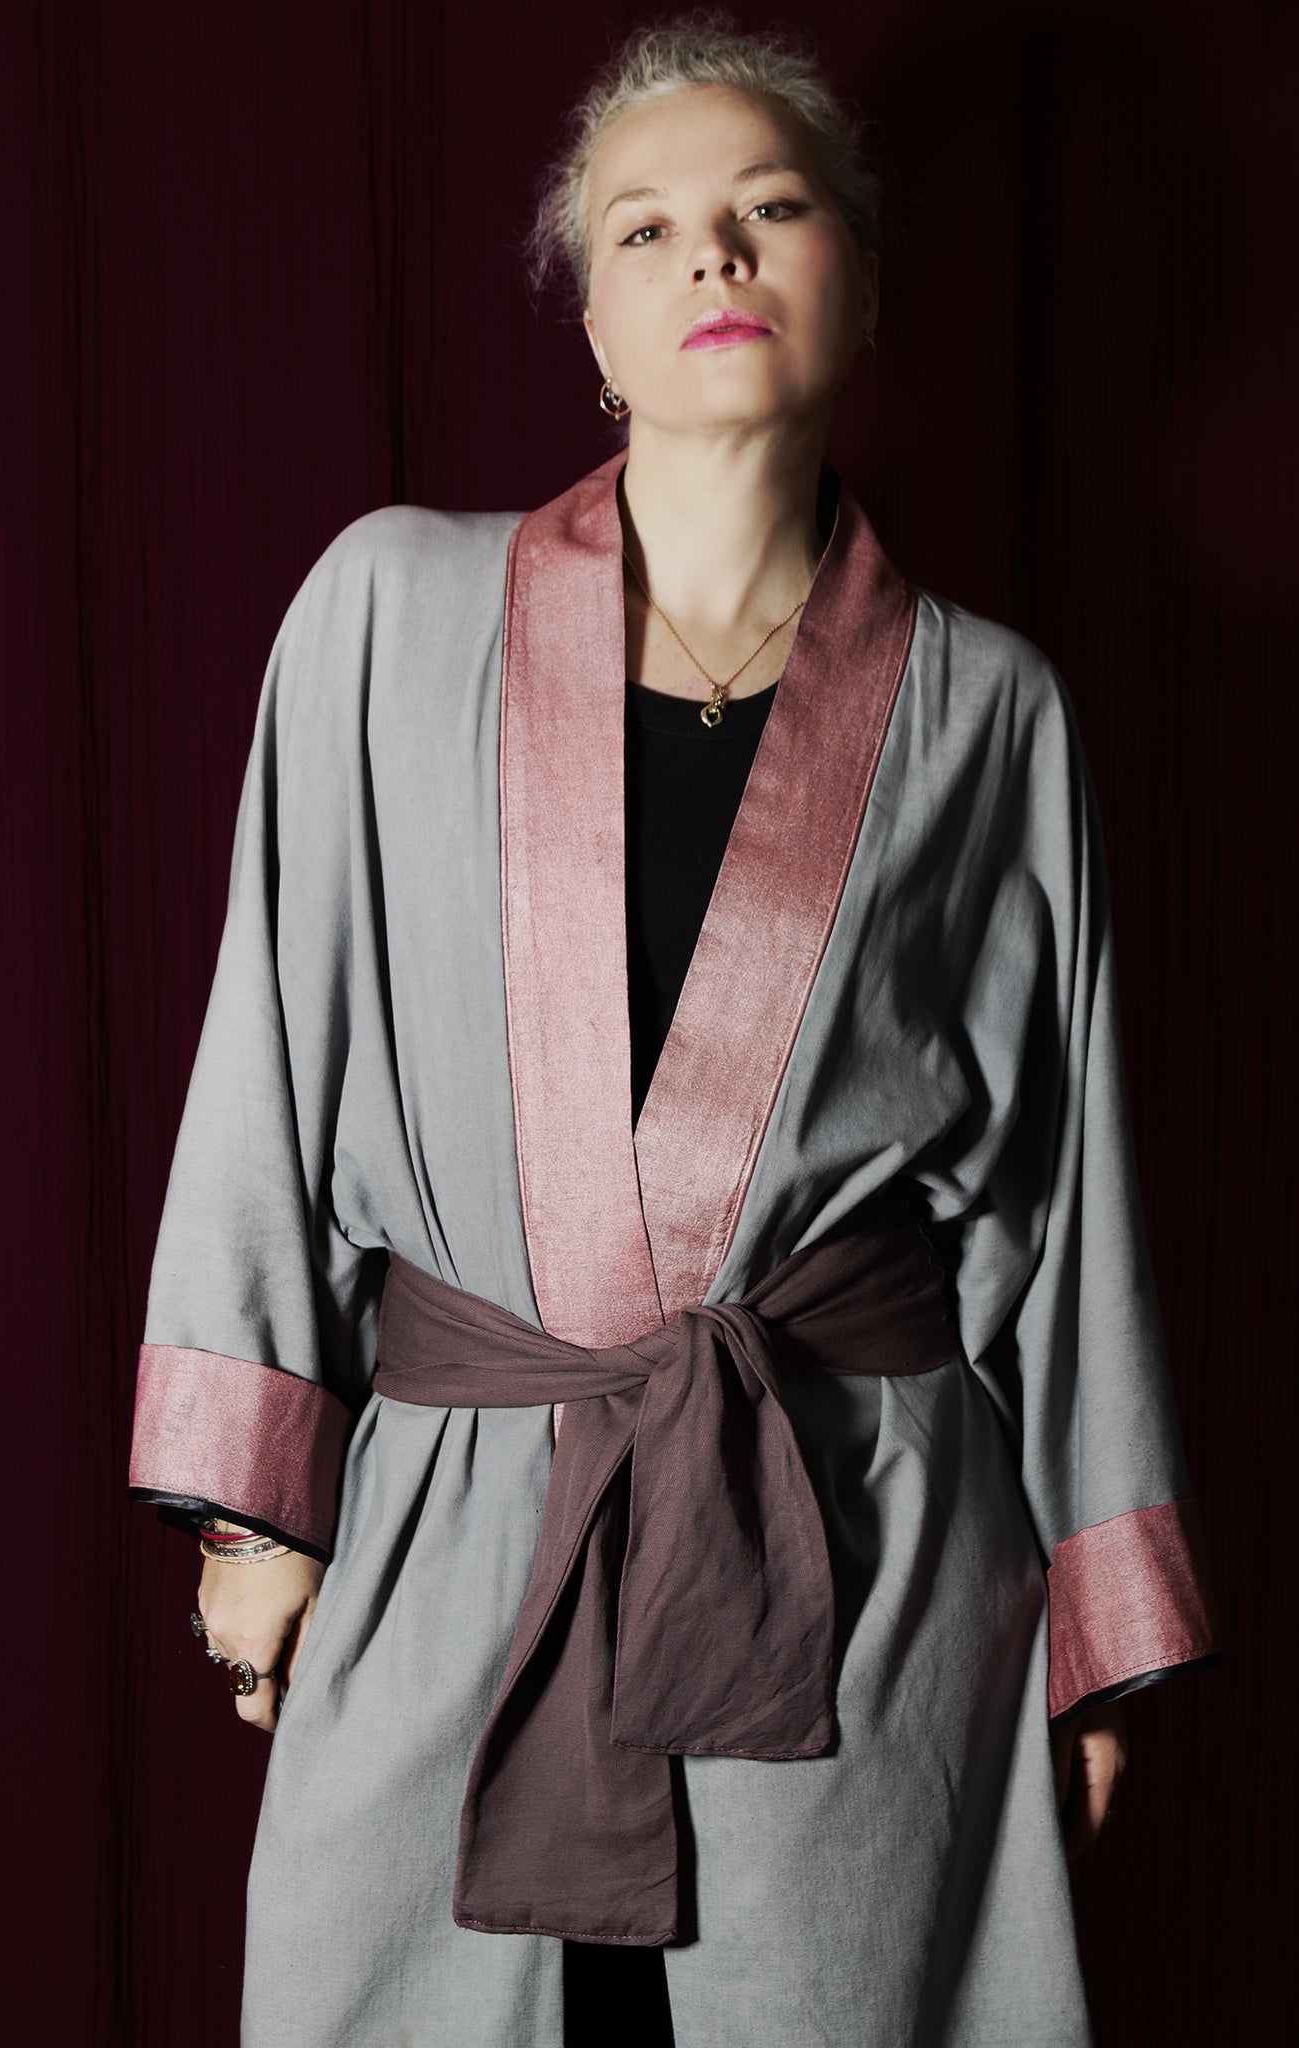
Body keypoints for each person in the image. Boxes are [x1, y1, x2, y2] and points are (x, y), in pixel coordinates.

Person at [128, 16, 1220, 2046]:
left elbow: (1067, 1201)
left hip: (860, 1545)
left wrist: (1094, 1616)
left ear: (858, 286)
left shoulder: (990, 708)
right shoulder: (385, 613)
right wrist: (252, 1507)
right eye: (645, 226)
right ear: (594, 327)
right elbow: (264, 1055)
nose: (711, 252)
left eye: (768, 208)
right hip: (467, 1519)